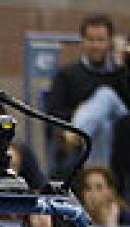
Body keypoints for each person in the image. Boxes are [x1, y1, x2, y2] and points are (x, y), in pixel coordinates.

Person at [45, 14, 126, 170]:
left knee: (106, 95)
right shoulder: (67, 74)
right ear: (82, 41)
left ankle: (77, 133)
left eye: (101, 40)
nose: (95, 45)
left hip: (121, 129)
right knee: (102, 126)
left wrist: (121, 66)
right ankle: (98, 178)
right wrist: (79, 111)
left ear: (110, 42)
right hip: (96, 139)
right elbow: (53, 112)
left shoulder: (120, 71)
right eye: (90, 40)